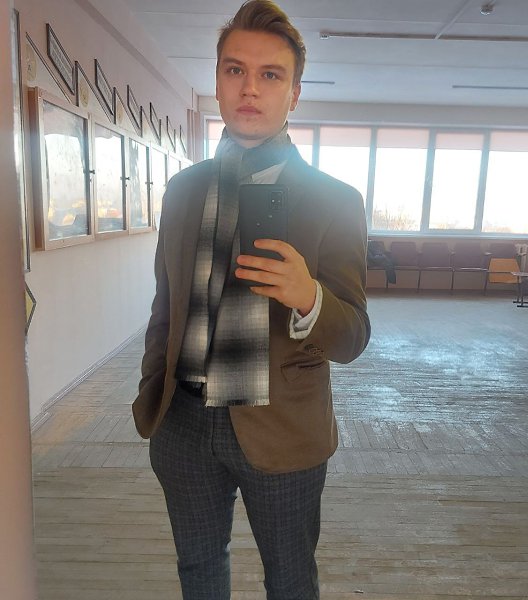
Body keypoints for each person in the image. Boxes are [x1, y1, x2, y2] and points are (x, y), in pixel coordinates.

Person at [133, 1, 370, 598]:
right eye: (235, 70)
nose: (250, 88)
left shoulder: (335, 201)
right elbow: (165, 306)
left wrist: (308, 297)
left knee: (290, 581)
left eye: (271, 74)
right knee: (198, 570)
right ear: (217, 80)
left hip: (282, 426)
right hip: (183, 423)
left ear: (294, 93)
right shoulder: (183, 191)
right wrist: (151, 393)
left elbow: (353, 337)